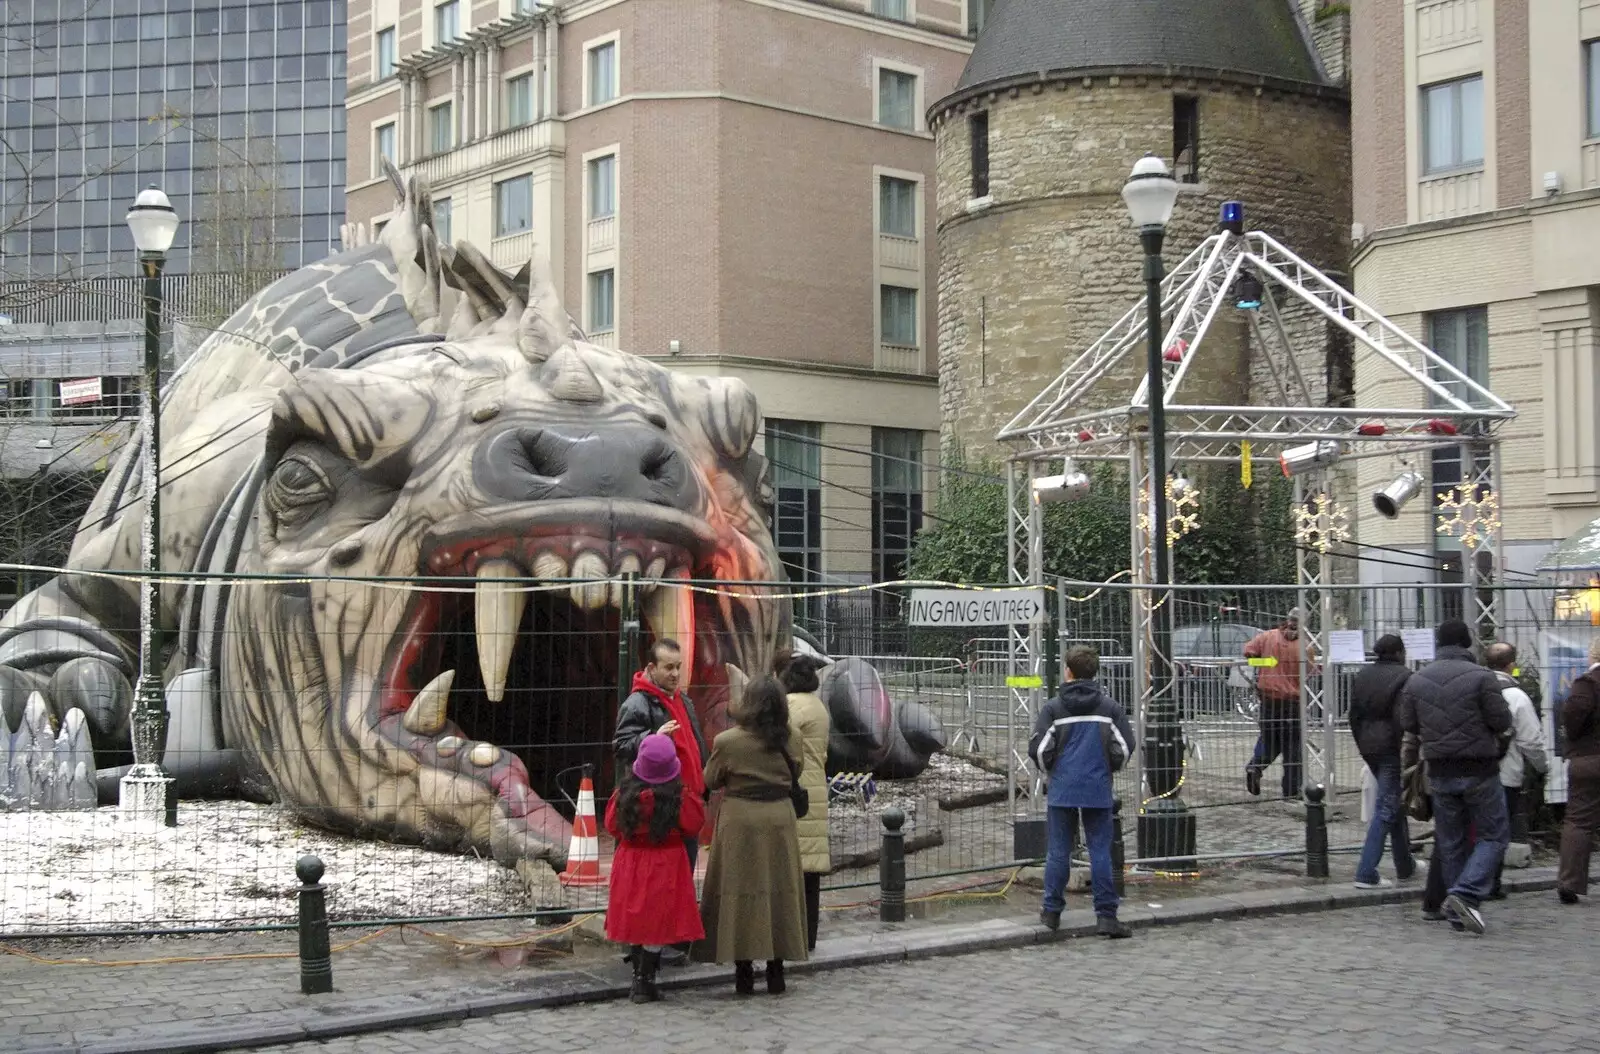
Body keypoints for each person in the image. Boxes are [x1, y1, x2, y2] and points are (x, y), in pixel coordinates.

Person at [693, 674, 809, 994]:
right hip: (779, 820)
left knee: (737, 893)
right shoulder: (793, 738)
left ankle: (742, 970)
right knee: (779, 891)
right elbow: (796, 771)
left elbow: (712, 779)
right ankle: (776, 971)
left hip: (740, 821)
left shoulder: (728, 742)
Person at [1398, 619, 1511, 935]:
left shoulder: (1417, 680)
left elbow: (1409, 722)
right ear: (1466, 644)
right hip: (1480, 768)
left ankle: (1459, 910)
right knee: (1493, 835)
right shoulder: (1482, 677)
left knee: (1450, 841)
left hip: (1439, 768)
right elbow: (1501, 719)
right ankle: (1465, 894)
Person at [1028, 645, 1136, 939]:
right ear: (1094, 671)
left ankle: (1051, 913)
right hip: (1097, 787)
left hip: (1062, 787)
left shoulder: (1053, 708)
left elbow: (1038, 749)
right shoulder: (1109, 708)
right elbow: (1126, 746)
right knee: (1100, 851)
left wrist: (1052, 770)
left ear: (1068, 671)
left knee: (1058, 851)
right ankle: (1106, 916)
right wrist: (1108, 768)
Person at [602, 734, 706, 1003]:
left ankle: (638, 975)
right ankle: (645, 978)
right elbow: (694, 825)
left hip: (631, 862)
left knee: (637, 918)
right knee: (657, 922)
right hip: (666, 862)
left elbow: (612, 826)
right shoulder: (679, 798)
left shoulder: (624, 795)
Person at [1348, 633, 1416, 888]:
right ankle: (1366, 871)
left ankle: (1405, 864)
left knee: (1393, 802)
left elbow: (1353, 714)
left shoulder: (1363, 675)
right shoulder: (1405, 677)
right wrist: (1407, 750)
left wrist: (1361, 743)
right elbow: (1403, 719)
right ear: (1399, 652)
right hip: (1391, 748)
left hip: (1369, 746)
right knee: (1387, 807)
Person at [775, 651, 831, 952]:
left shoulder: (793, 706)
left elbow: (774, 735)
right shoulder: (818, 706)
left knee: (795, 865)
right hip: (816, 788)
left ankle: (794, 935)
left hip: (797, 788)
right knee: (810, 872)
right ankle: (809, 934)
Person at [1485, 642, 1548, 900]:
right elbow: (1531, 740)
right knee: (1499, 830)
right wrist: (1543, 767)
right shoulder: (1516, 695)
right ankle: (1491, 882)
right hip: (1506, 773)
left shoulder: (1474, 688)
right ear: (1511, 664)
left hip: (1473, 768)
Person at [1242, 609, 1315, 799]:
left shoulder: (1267, 636)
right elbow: (1309, 671)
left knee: (1269, 740)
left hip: (1268, 699)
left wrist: (1268, 663)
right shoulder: (1305, 646)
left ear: (1287, 619)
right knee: (1293, 748)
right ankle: (1291, 791)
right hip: (1291, 702)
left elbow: (1248, 653)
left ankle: (1255, 767)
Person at [1557, 638, 1600, 905]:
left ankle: (1570, 883)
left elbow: (1574, 716)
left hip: (1589, 758)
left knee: (1579, 822)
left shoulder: (1588, 683)